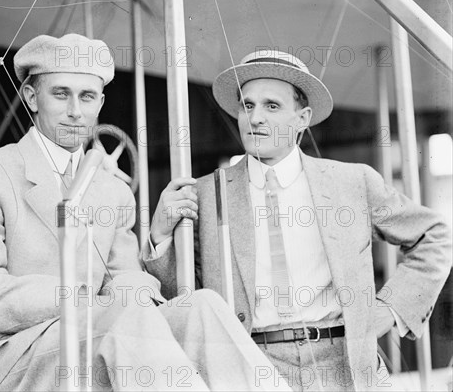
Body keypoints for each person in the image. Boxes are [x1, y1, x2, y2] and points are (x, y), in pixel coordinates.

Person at [0, 34, 292, 391]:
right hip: (10, 358)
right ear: (32, 97)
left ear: (100, 103)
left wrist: (144, 302)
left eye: (87, 96)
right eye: (61, 94)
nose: (75, 110)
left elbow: (123, 276)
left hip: (90, 337)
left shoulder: (111, 191)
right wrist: (78, 298)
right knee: (123, 317)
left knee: (201, 307)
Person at [143, 50, 452, 391]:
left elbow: (434, 235)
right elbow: (182, 301)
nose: (255, 118)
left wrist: (390, 309)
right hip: (251, 364)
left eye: (271, 106)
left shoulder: (352, 182)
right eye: (247, 106)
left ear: (302, 118)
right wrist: (160, 235)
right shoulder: (206, 193)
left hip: (345, 362)